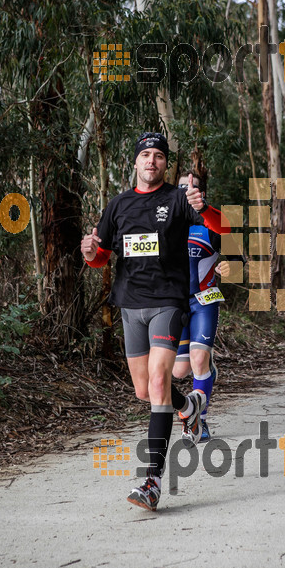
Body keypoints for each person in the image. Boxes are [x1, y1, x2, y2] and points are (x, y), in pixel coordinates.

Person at [81, 132, 230, 511]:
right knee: (145, 392)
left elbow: (223, 228)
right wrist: (90, 253)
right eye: (145, 154)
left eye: (159, 156)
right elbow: (102, 257)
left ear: (166, 164)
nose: (152, 161)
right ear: (135, 161)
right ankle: (189, 407)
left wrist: (206, 207)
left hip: (168, 301)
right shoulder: (118, 205)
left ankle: (152, 480)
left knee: (161, 381)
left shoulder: (179, 200)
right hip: (130, 305)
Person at [173, 171, 227, 442]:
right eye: (181, 187)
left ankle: (200, 421)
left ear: (202, 194)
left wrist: (230, 267)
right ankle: (208, 370)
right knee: (179, 371)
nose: (185, 191)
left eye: (191, 187)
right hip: (175, 303)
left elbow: (241, 258)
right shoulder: (168, 224)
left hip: (204, 300)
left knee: (198, 361)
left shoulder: (212, 224)